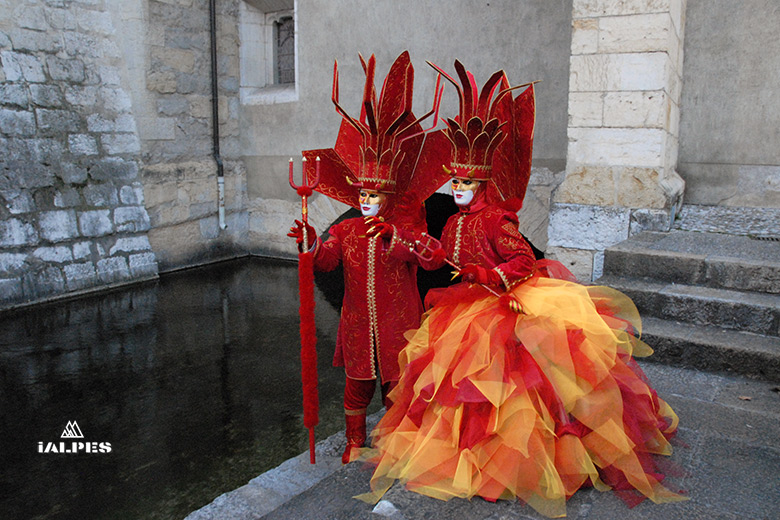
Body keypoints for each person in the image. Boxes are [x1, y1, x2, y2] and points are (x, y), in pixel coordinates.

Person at [358, 61, 686, 517]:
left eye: (465, 182)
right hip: (461, 311)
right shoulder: (453, 220)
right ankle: (473, 458)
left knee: (518, 392)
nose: (456, 188)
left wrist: (488, 275)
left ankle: (525, 462)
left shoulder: (497, 219)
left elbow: (523, 262)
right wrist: (403, 242)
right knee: (461, 391)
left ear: (482, 183)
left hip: (502, 306)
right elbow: (441, 257)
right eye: (454, 181)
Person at [288, 51, 450, 464]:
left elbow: (434, 258)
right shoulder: (345, 229)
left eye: (372, 194)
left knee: (397, 386)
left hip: (399, 320)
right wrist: (309, 243)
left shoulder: (406, 227)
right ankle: (354, 441)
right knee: (356, 384)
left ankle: (399, 443)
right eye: (361, 194)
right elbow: (326, 262)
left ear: (387, 195)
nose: (365, 201)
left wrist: (397, 238)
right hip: (358, 321)